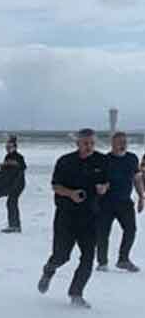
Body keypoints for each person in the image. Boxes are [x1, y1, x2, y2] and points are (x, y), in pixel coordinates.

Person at [38, 128, 109, 308]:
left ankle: (76, 293)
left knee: (88, 257)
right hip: (66, 216)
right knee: (62, 255)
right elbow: (55, 186)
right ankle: (49, 269)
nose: (89, 147)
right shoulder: (65, 161)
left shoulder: (102, 160)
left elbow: (106, 181)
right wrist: (70, 194)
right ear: (77, 143)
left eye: (92, 143)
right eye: (85, 143)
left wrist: (103, 188)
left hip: (91, 216)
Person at [95, 132, 141, 273]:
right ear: (112, 144)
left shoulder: (132, 158)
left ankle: (123, 259)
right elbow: (97, 182)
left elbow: (137, 178)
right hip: (105, 203)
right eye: (119, 142)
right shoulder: (104, 160)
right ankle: (102, 262)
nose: (122, 145)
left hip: (125, 202)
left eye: (124, 142)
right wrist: (101, 188)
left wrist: (141, 196)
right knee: (103, 233)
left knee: (131, 230)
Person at [0, 135, 26, 233]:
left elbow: (21, 169)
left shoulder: (18, 157)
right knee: (11, 203)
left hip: (17, 184)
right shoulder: (8, 157)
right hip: (12, 184)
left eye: (9, 147)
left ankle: (15, 226)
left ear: (14, 147)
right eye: (6, 147)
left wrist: (10, 165)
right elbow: (3, 174)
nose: (7, 149)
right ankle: (14, 225)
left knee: (11, 203)